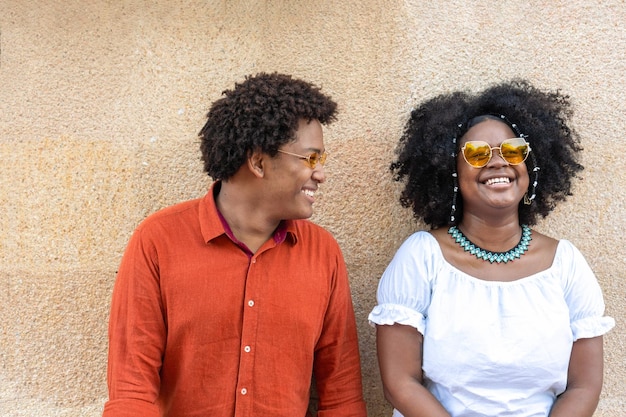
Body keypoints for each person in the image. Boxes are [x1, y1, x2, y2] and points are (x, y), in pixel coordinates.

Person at [103, 72, 367, 417]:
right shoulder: (158, 241)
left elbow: (341, 396)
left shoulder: (323, 253)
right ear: (258, 161)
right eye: (310, 158)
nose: (320, 174)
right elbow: (131, 393)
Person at [368, 79, 615, 417]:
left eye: (514, 150)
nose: (498, 162)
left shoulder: (566, 263)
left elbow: (584, 386)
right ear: (450, 171)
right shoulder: (422, 257)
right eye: (477, 154)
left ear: (530, 165)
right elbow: (400, 382)